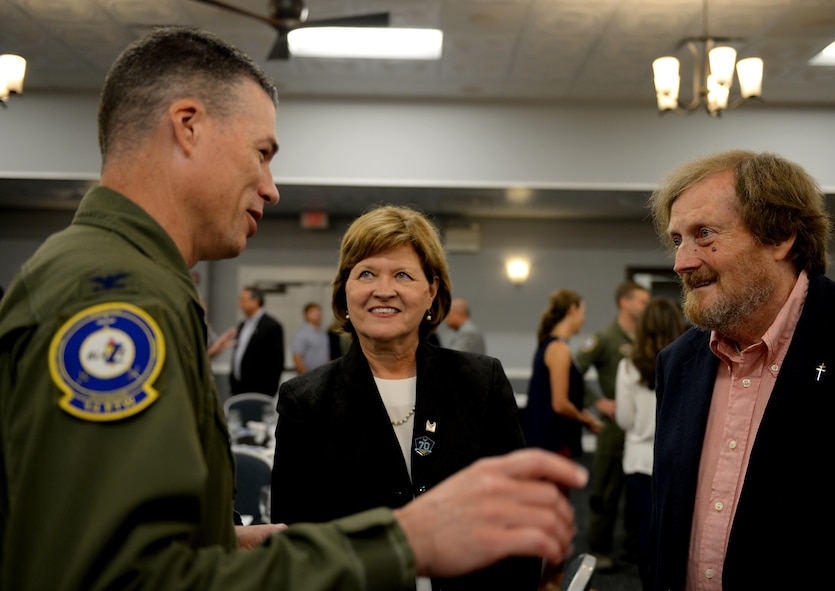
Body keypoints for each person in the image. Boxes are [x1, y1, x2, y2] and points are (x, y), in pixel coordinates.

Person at [0, 27, 589, 591]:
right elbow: (111, 576)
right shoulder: (115, 297)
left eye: (404, 275)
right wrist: (402, 543)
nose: (271, 185)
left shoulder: (135, 282)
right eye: (262, 152)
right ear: (188, 127)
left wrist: (221, 545)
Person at [645, 149, 835, 591]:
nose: (681, 262)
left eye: (704, 234)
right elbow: (665, 521)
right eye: (678, 240)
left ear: (781, 237)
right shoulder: (678, 362)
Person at [271, 204, 541, 591]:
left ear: (431, 291)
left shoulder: (481, 382)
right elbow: (297, 546)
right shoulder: (305, 401)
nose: (384, 290)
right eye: (366, 273)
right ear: (345, 290)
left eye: (402, 274)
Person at [524, 288, 604, 591]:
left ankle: (553, 576)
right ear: (572, 310)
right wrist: (588, 418)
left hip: (550, 444)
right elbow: (560, 403)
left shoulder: (553, 345)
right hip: (551, 446)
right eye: (582, 311)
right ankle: (550, 580)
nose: (584, 317)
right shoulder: (557, 349)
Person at [575, 280, 649, 570]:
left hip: (639, 427)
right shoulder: (605, 337)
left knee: (637, 492)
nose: (646, 306)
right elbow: (573, 370)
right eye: (641, 301)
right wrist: (598, 401)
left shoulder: (645, 337)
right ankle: (599, 548)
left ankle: (632, 547)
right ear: (625, 303)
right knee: (605, 490)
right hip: (612, 428)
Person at [613, 296, 684, 578]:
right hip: (677, 458)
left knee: (645, 530)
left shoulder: (629, 366)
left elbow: (625, 420)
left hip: (640, 460)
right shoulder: (686, 363)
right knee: (676, 532)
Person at [230, 286, 285, 396]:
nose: (239, 304)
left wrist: (270, 391)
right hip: (239, 388)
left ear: (255, 301)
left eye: (243, 300)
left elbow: (277, 361)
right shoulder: (243, 324)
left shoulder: (271, 326)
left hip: (260, 391)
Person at [290, 301, 331, 373]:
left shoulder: (323, 333)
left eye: (318, 312)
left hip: (323, 375)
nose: (317, 314)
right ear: (306, 315)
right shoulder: (301, 334)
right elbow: (297, 358)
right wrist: (305, 377)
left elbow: (326, 355)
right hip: (309, 375)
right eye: (314, 312)